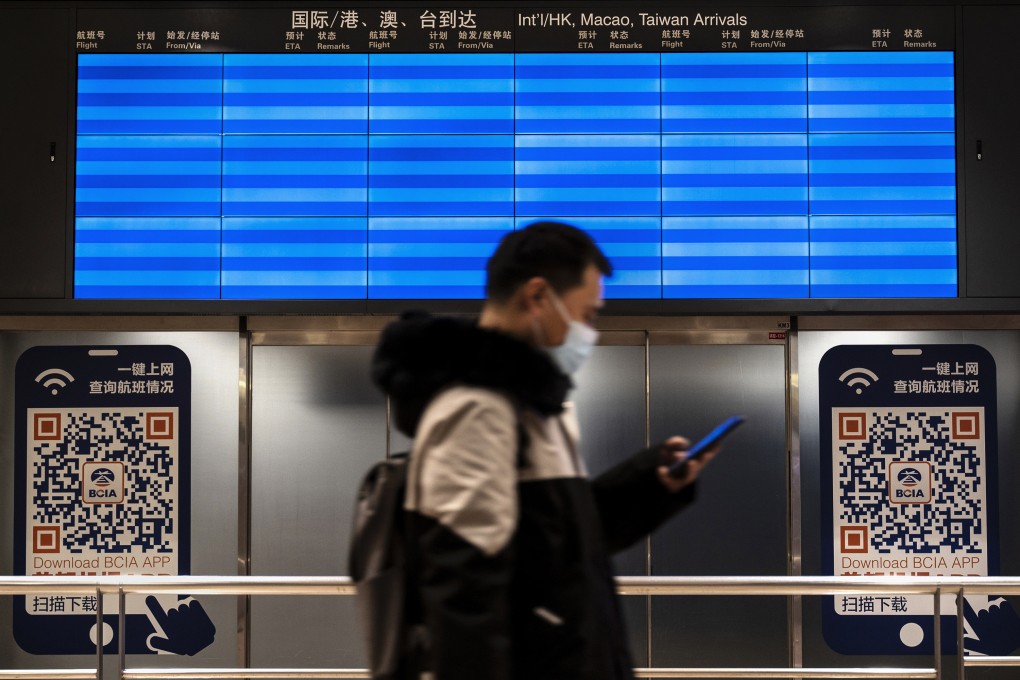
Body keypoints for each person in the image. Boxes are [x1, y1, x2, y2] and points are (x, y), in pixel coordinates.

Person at [370, 221, 720, 680]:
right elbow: (462, 597)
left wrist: (649, 483)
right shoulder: (479, 409)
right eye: (587, 314)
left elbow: (562, 545)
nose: (590, 331)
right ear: (537, 297)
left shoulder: (536, 406)